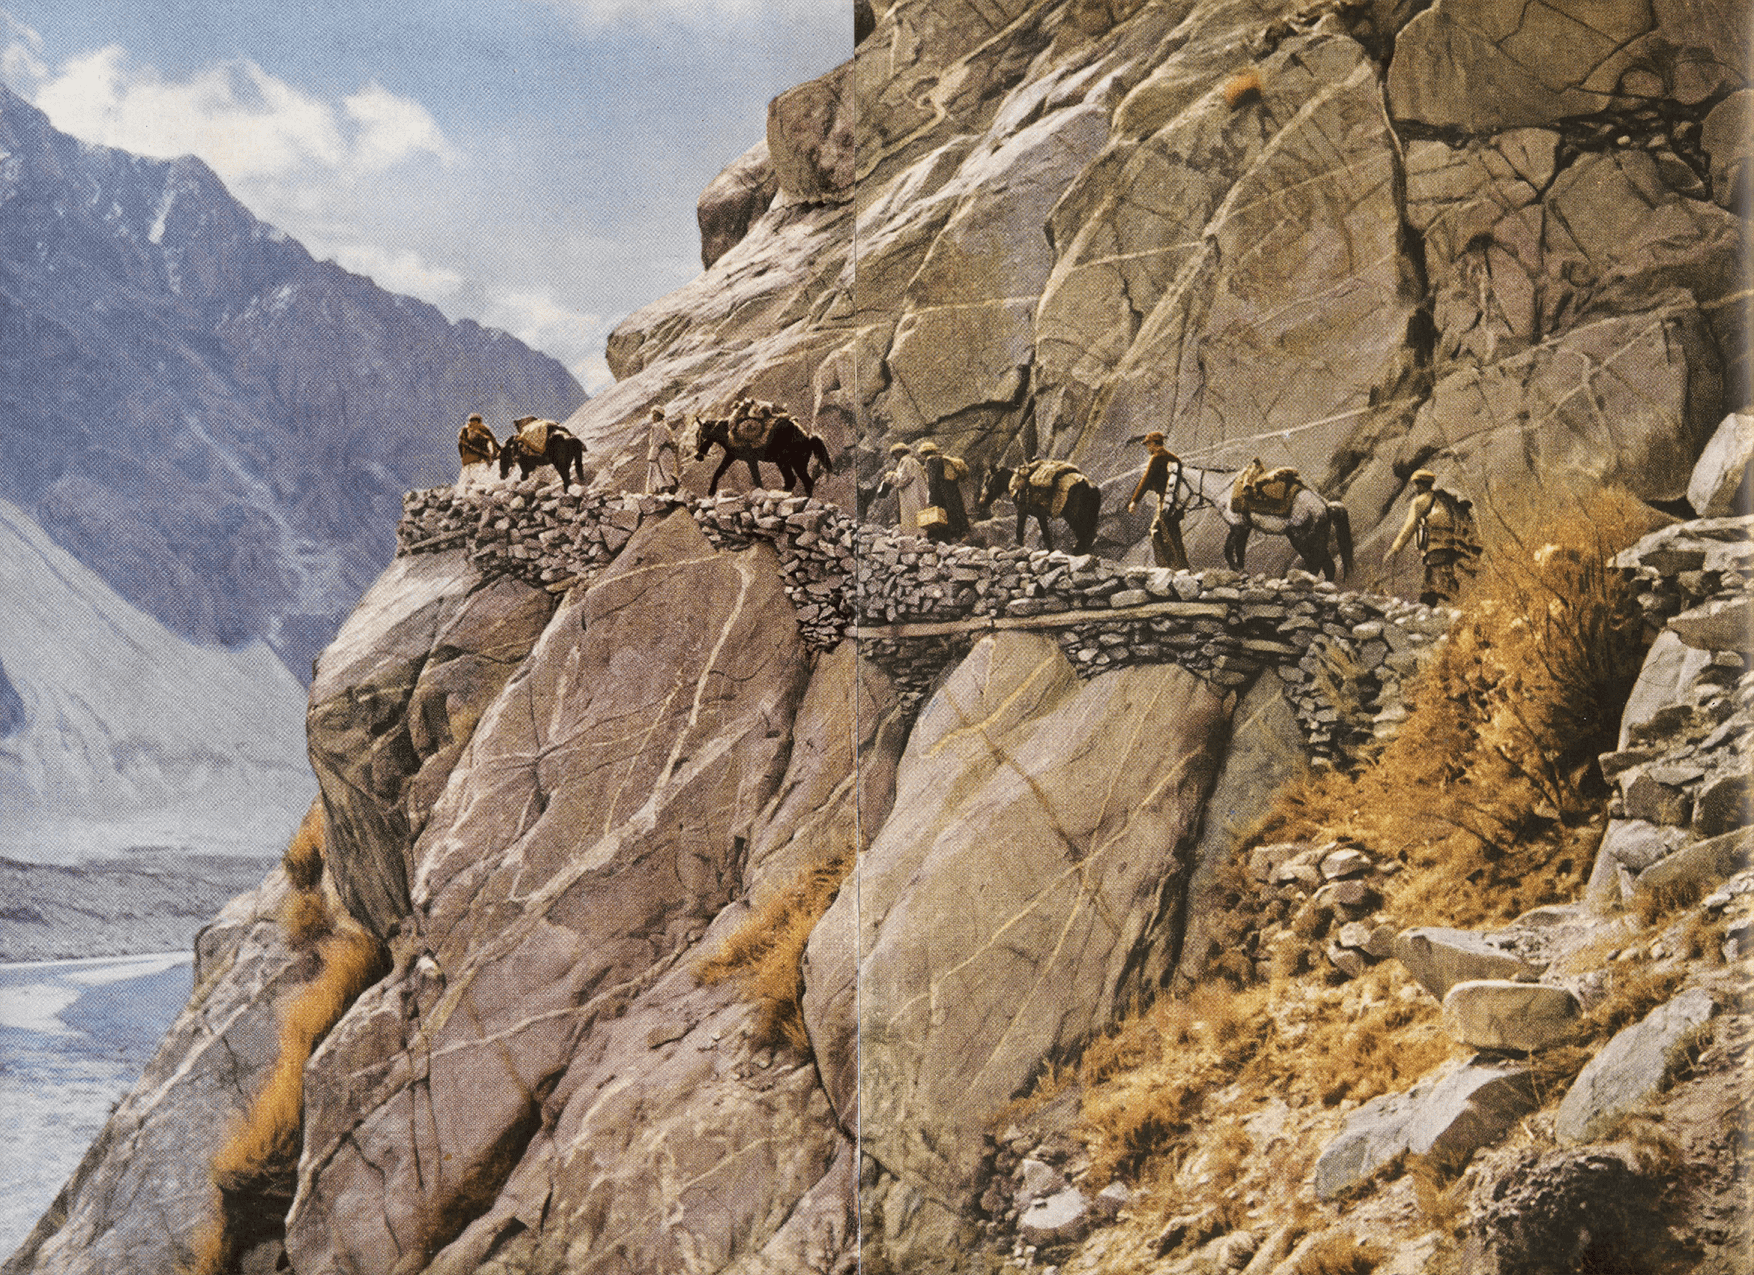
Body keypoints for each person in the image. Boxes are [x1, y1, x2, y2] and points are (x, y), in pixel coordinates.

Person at [1386, 468, 1481, 604]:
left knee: (1439, 580)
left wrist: (1395, 548)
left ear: (1419, 485)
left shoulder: (1420, 501)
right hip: (1452, 545)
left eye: (1416, 484)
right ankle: (1429, 608)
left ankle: (1452, 606)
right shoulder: (1443, 498)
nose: (1416, 488)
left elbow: (1410, 526)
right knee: (1436, 578)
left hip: (1435, 547)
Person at [1126, 430, 1189, 569]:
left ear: (1154, 443)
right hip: (1177, 503)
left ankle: (1170, 567)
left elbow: (1146, 480)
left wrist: (1134, 501)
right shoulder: (1174, 458)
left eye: (1148, 444)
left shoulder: (1157, 457)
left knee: (1161, 533)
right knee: (1170, 533)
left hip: (1165, 502)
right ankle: (1176, 566)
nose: (1148, 448)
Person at [915, 441, 969, 542]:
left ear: (924, 453)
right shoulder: (942, 459)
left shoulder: (930, 461)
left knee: (941, 516)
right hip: (952, 492)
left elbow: (932, 482)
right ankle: (962, 534)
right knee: (956, 512)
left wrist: (931, 498)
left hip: (940, 494)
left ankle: (943, 539)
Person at [877, 441, 930, 534]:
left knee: (912, 514)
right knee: (921, 513)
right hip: (919, 491)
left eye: (895, 454)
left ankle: (916, 535)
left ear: (900, 452)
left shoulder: (905, 461)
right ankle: (924, 534)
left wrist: (890, 476)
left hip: (911, 493)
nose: (894, 457)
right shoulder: (914, 461)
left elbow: (903, 479)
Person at [457, 413, 498, 489]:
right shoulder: (483, 428)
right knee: (482, 486)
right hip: (480, 463)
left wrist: (463, 458)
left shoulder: (463, 431)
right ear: (479, 420)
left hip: (466, 464)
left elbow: (460, 446)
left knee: (464, 488)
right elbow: (493, 442)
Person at [644, 406, 679, 494]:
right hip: (666, 452)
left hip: (661, 453)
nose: (653, 417)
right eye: (653, 415)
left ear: (660, 416)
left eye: (655, 415)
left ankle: (663, 491)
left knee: (662, 473)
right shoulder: (665, 426)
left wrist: (652, 455)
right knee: (667, 472)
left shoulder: (657, 427)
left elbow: (657, 443)